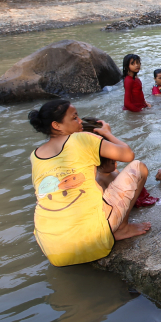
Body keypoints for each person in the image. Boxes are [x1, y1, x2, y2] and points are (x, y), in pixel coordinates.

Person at [28, 99, 150, 266]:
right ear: (56, 125)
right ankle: (122, 228)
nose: (80, 121)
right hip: (90, 241)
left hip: (53, 250)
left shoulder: (35, 155)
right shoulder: (82, 138)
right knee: (139, 167)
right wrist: (107, 133)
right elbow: (128, 155)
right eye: (74, 118)